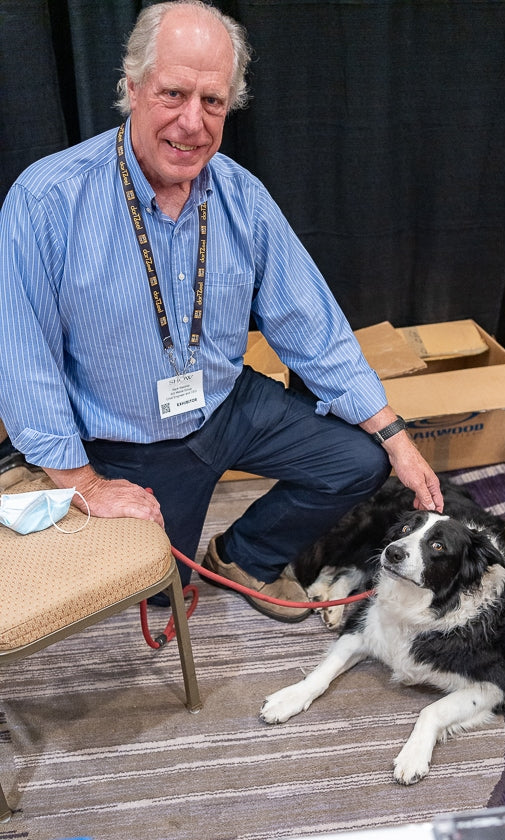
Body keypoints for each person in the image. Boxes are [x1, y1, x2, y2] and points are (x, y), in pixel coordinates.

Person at [0, 0, 443, 622]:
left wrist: (393, 434)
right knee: (159, 591)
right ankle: (173, 553)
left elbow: (310, 324)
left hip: (227, 403)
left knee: (360, 461)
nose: (192, 122)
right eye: (174, 94)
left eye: (213, 102)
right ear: (131, 89)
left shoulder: (241, 195)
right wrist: (84, 483)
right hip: (129, 437)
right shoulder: (47, 201)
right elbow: (24, 363)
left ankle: (245, 552)